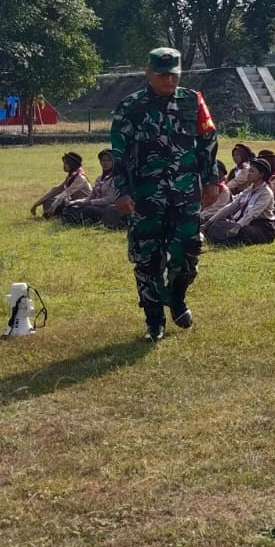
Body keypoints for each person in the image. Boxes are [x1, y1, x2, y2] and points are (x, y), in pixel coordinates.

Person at [109, 48, 220, 340]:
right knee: (148, 259)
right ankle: (154, 320)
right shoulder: (130, 106)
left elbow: (207, 141)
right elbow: (119, 153)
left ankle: (177, 296)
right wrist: (121, 191)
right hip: (146, 196)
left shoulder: (193, 101)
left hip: (185, 195)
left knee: (189, 250)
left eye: (174, 74)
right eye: (162, 75)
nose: (169, 80)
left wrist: (212, 180)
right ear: (149, 73)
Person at [205, 158, 275, 246]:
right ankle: (227, 239)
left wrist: (237, 226)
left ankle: (228, 240)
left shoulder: (266, 193)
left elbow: (253, 213)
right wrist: (209, 222)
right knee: (216, 225)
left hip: (261, 227)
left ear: (261, 175)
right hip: (245, 222)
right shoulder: (249, 190)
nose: (249, 173)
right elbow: (231, 206)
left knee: (243, 231)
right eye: (249, 170)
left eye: (252, 171)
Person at [60, 149, 125, 228]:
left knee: (89, 209)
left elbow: (110, 199)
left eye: (109, 161)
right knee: (69, 208)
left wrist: (90, 203)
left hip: (106, 207)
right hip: (95, 205)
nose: (105, 163)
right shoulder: (99, 179)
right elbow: (90, 197)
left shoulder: (115, 179)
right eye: (103, 160)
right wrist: (75, 202)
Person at [31, 152, 92, 219]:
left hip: (83, 204)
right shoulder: (71, 176)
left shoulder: (80, 178)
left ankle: (53, 216)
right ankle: (51, 216)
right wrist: (37, 204)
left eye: (66, 163)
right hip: (73, 201)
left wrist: (52, 208)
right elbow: (56, 190)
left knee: (64, 206)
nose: (64, 165)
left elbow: (65, 193)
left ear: (72, 164)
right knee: (49, 200)